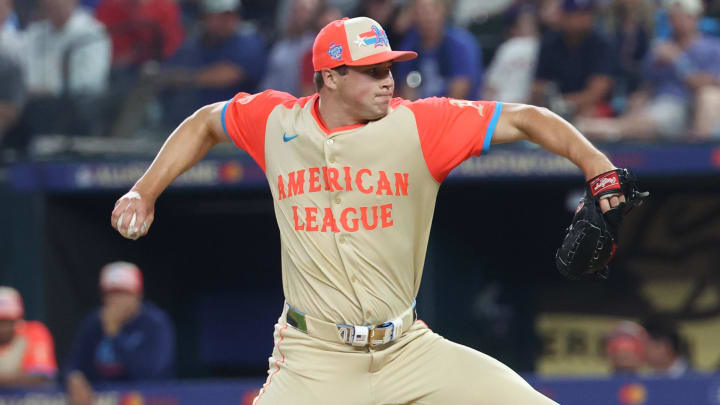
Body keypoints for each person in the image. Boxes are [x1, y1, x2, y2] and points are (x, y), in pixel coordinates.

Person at [111, 16, 628, 404]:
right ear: (329, 77)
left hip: (408, 350)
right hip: (314, 359)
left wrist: (595, 163)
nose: (388, 79)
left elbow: (527, 118)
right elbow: (206, 121)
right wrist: (144, 190)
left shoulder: (422, 125)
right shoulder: (276, 122)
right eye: (371, 70)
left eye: (389, 67)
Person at [578, 0, 720, 140]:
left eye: (684, 16)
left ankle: (608, 129)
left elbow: (708, 84)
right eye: (674, 17)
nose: (678, 22)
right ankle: (609, 130)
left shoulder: (712, 47)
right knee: (643, 107)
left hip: (689, 103)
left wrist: (678, 61)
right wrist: (638, 100)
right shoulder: (659, 48)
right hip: (662, 101)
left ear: (695, 17)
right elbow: (648, 84)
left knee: (693, 102)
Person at [65, 262, 175, 405]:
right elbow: (73, 364)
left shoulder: (155, 323)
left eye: (123, 293)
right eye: (110, 293)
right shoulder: (94, 322)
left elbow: (150, 373)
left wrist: (115, 334)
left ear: (138, 294)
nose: (115, 300)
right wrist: (75, 378)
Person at [532, 0, 615, 120]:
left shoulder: (602, 44)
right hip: (552, 107)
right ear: (562, 15)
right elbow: (538, 86)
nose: (579, 21)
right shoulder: (550, 42)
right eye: (573, 15)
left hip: (590, 109)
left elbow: (598, 90)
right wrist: (549, 101)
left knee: (591, 112)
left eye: (584, 14)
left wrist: (564, 103)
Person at [394, 0, 483, 100]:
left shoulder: (461, 44)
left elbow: (460, 91)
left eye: (433, 9)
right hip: (420, 110)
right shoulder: (409, 45)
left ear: (444, 11)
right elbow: (407, 90)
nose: (427, 16)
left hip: (457, 110)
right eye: (421, 10)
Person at [0, 286, 58, 387]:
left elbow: (41, 376)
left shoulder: (34, 331)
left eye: (8, 321)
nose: (3, 327)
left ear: (18, 318)